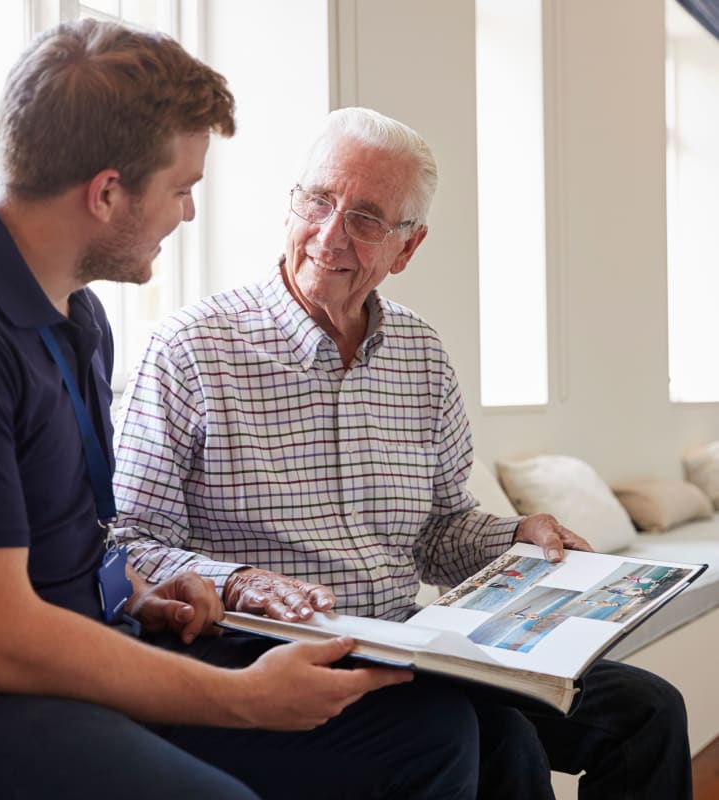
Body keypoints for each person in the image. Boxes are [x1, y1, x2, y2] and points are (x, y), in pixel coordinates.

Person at [0, 24, 494, 800]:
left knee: (429, 735)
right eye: (181, 189)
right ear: (107, 194)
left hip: (76, 652)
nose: (189, 215)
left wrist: (139, 591)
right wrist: (244, 700)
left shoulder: (75, 317)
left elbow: (74, 538)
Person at [111, 106, 694, 799]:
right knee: (498, 739)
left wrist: (517, 535)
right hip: (264, 651)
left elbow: (441, 531)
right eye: (319, 201)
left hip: (413, 641)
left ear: (406, 249)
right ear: (291, 203)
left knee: (648, 713)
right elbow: (130, 543)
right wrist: (240, 580)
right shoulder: (189, 349)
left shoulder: (421, 356)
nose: (330, 235)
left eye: (365, 218)